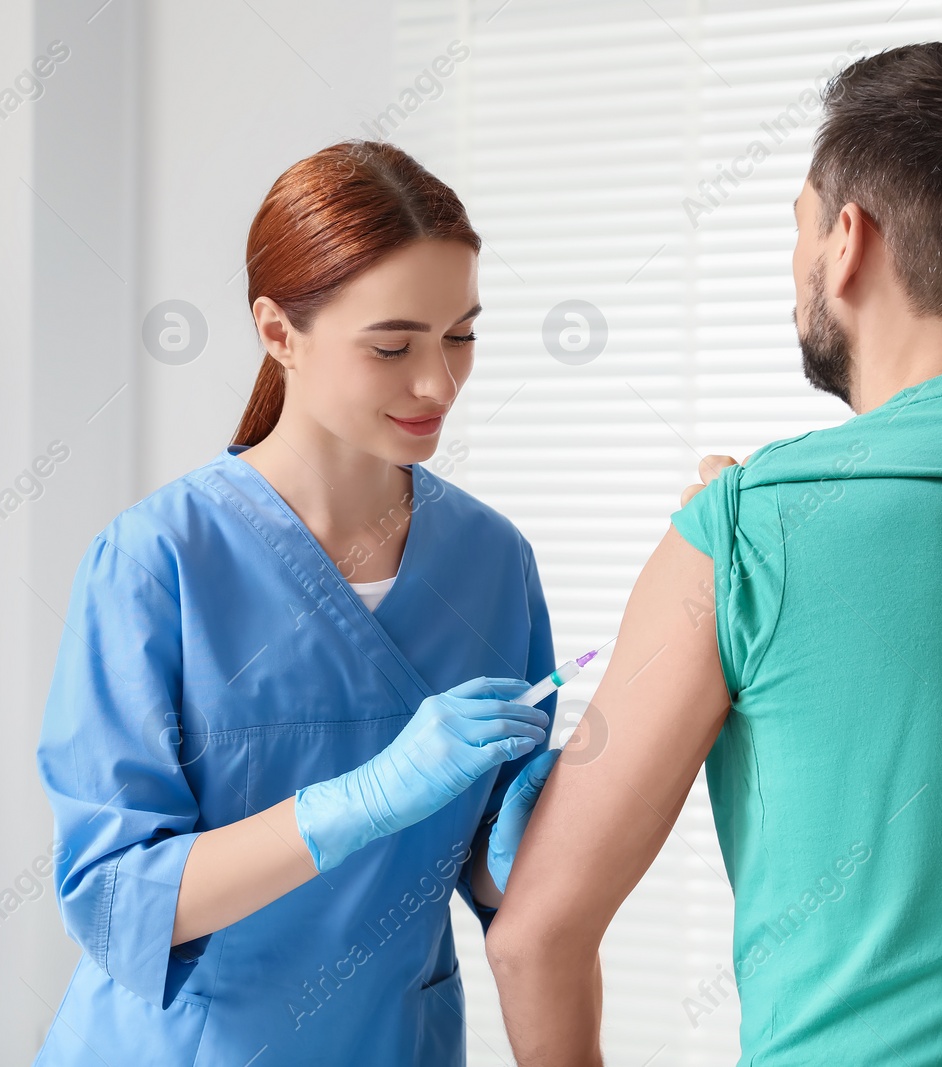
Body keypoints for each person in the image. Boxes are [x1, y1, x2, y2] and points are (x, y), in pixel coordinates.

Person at [485, 42, 942, 1064]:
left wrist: (725, 551)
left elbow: (535, 936)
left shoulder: (742, 532)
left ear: (846, 241)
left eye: (799, 226)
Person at [33, 140, 564, 1066]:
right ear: (278, 331)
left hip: (394, 1039)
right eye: (393, 345)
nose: (438, 382)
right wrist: (355, 803)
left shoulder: (491, 562)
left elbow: (486, 863)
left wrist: (518, 847)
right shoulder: (159, 562)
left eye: (462, 335)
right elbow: (116, 897)